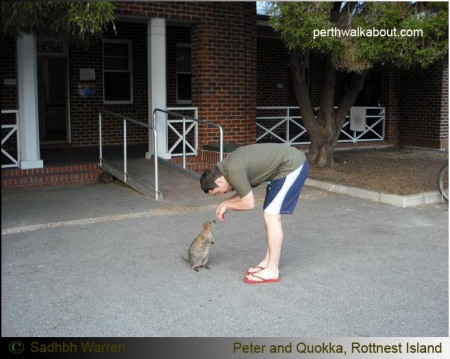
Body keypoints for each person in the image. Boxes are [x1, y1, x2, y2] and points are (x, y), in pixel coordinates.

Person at [199, 143, 308, 284]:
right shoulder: (227, 168)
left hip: (292, 165)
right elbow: (244, 193)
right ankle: (268, 261)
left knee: (271, 216)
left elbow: (249, 203)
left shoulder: (233, 169)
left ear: (219, 181)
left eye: (220, 192)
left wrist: (226, 204)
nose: (224, 193)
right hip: (282, 168)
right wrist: (226, 203)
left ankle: (272, 270)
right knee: (269, 215)